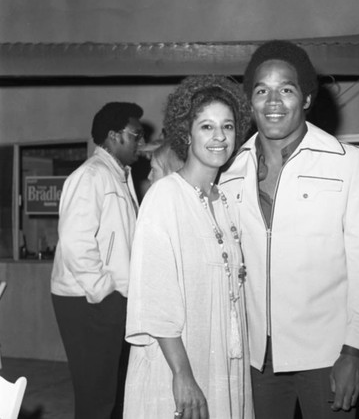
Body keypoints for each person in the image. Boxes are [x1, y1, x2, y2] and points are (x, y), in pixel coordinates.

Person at [219, 40, 359, 419]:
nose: (273, 101)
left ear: (307, 99)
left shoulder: (347, 164)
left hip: (327, 357)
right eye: (262, 90)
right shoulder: (230, 170)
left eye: (286, 89)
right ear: (250, 102)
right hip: (255, 360)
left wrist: (355, 351)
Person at [124, 76, 254, 419]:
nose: (219, 137)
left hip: (219, 358)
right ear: (186, 133)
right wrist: (182, 375)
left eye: (227, 126)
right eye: (206, 126)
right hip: (177, 365)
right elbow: (155, 296)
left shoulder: (224, 200)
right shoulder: (165, 197)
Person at [51, 101, 145, 419]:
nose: (141, 142)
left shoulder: (118, 177)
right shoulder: (91, 177)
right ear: (114, 136)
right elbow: (77, 244)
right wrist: (106, 293)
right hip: (87, 300)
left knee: (110, 394)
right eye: (136, 134)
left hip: (104, 298)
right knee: (97, 397)